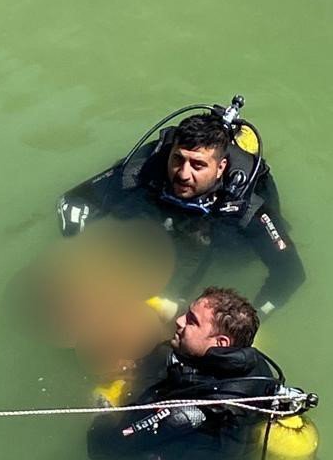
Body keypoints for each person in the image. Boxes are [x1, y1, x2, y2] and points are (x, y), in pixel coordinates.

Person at [57, 110, 304, 317]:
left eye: (198, 165)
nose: (184, 174)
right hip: (161, 219)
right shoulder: (148, 167)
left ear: (221, 168)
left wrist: (249, 321)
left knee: (233, 257)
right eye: (178, 159)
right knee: (127, 215)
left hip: (222, 233)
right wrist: (81, 257)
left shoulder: (245, 204)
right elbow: (74, 202)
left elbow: (290, 274)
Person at [87, 287, 278, 460]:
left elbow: (102, 449)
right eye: (186, 313)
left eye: (192, 321)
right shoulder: (255, 363)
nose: (179, 321)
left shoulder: (186, 414)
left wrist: (102, 414)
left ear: (221, 343)